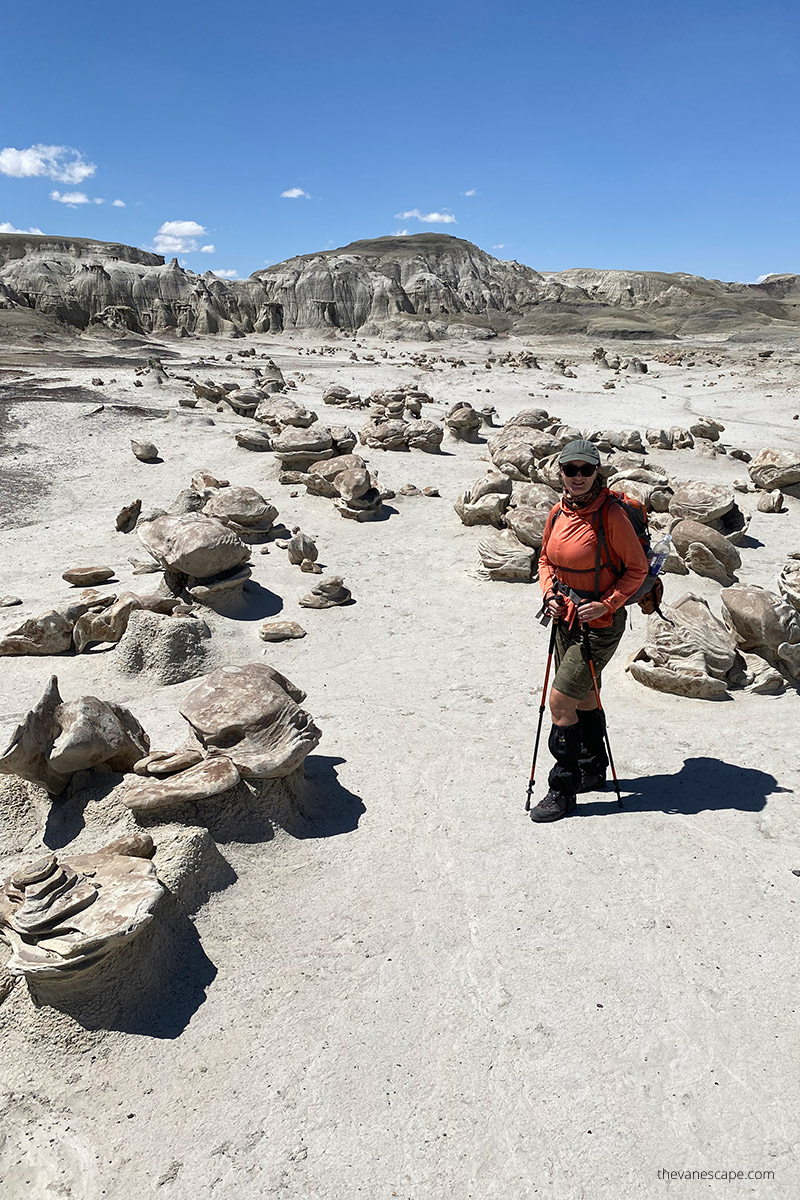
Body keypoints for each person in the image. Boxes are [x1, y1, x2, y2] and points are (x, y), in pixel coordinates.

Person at [529, 439, 649, 822]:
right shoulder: (557, 513)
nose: (578, 477)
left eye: (586, 469)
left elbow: (637, 570)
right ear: (560, 472)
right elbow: (546, 559)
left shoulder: (611, 516)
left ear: (598, 472)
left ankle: (562, 789)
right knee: (583, 698)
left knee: (560, 702)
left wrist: (609, 603)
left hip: (599, 624)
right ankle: (592, 767)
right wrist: (549, 592)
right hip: (564, 615)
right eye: (570, 469)